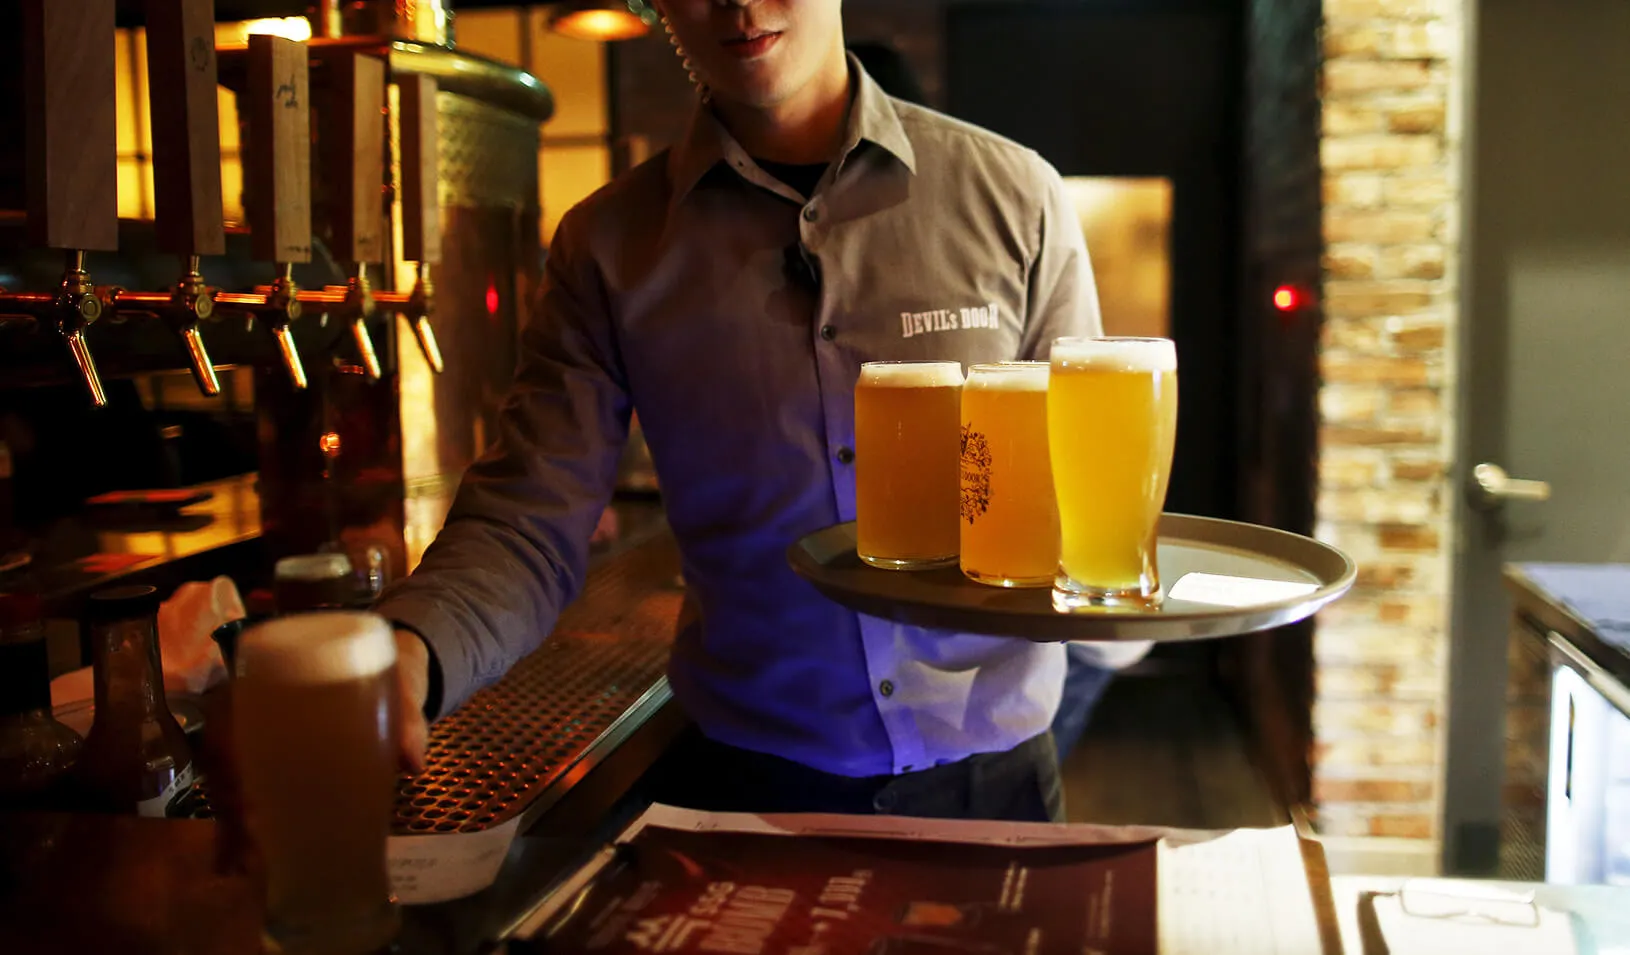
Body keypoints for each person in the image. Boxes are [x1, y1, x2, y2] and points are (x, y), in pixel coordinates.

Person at [375, 0, 1147, 823]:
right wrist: (411, 647)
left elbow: (1081, 475)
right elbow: (529, 515)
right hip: (749, 789)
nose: (739, 6)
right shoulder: (608, 246)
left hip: (994, 781)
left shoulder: (1015, 195)